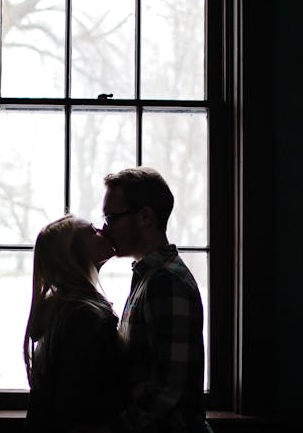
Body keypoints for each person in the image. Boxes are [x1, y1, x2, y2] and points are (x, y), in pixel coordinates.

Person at [77, 167, 212, 433]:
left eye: (112, 217)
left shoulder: (166, 281)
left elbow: (167, 390)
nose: (105, 228)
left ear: (145, 217)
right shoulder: (148, 277)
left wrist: (111, 430)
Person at [24, 214, 130, 433]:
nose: (104, 231)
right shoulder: (85, 316)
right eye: (92, 231)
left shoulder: (64, 309)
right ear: (73, 254)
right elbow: (78, 405)